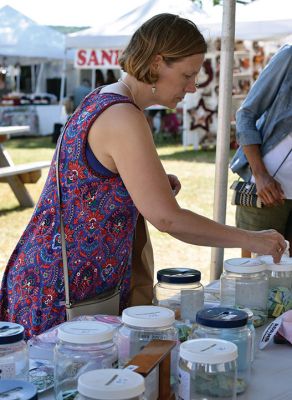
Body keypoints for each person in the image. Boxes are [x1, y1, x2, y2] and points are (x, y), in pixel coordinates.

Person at [0, 14, 286, 339]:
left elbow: (95, 181)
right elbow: (168, 219)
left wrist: (147, 183)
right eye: (187, 75)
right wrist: (251, 239)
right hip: (64, 287)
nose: (192, 87)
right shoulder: (123, 116)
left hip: (60, 275)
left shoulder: (107, 97)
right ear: (157, 62)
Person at [230, 44, 292, 257]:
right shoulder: (289, 56)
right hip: (266, 191)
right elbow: (246, 114)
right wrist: (260, 175)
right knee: (256, 274)